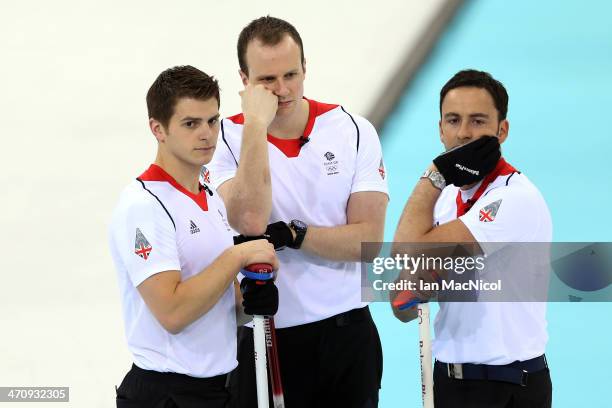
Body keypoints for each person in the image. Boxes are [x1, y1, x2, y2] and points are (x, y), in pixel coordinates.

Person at [207, 16, 389, 408]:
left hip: (347, 334)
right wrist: (256, 123)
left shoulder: (353, 130)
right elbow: (250, 219)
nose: (283, 89)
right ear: (244, 80)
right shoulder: (222, 139)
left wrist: (297, 234)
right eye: (267, 81)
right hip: (266, 335)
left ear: (306, 67)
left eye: (291, 74)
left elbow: (368, 243)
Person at [108, 65, 279, 408]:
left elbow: (214, 294)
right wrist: (237, 256)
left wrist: (247, 301)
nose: (207, 134)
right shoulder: (144, 205)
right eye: (191, 124)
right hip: (167, 393)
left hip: (216, 387)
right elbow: (172, 312)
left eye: (212, 121)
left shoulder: (209, 196)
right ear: (158, 129)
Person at [391, 69, 553, 407]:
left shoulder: (513, 198)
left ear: (502, 130)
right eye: (453, 120)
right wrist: (408, 294)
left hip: (508, 385)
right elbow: (403, 280)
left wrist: (434, 173)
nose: (464, 133)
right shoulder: (446, 199)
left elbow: (409, 250)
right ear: (440, 129)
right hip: (450, 381)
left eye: (478, 121)